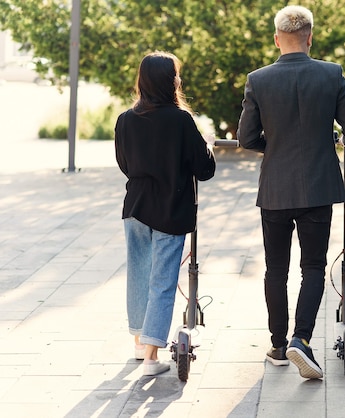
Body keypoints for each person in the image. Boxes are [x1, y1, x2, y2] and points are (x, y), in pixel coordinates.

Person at [237, 5, 345, 379]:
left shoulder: (258, 79)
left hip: (274, 187)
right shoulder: (331, 74)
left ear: (277, 39)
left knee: (276, 268)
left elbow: (245, 138)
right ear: (310, 38)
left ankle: (278, 345)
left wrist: (273, 147)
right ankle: (301, 340)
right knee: (313, 267)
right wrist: (338, 143)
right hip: (318, 186)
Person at [115, 51, 216, 376]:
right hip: (170, 209)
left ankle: (139, 344)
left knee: (138, 277)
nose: (179, 80)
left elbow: (125, 166)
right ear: (167, 81)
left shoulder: (125, 119)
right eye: (176, 75)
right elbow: (205, 170)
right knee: (162, 281)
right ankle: (151, 358)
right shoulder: (180, 120)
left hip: (136, 206)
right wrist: (209, 146)